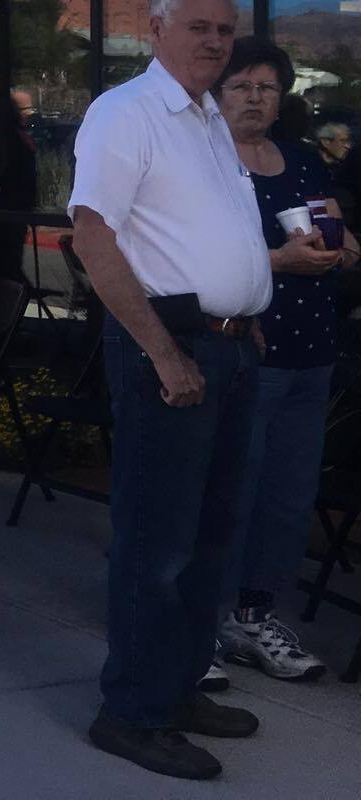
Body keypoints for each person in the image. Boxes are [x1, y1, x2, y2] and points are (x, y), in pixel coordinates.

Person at [70, 0, 270, 780]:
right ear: (157, 29)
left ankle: (178, 687)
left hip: (228, 351)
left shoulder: (210, 117)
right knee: (157, 545)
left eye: (225, 29)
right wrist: (162, 351)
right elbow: (92, 237)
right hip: (169, 351)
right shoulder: (127, 113)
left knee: (210, 538)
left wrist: (245, 309)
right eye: (199, 26)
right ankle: (133, 711)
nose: (216, 42)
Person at [212, 36, 355, 683]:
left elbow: (334, 228)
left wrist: (342, 245)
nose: (254, 98)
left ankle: (253, 616)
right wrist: (281, 260)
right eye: (241, 85)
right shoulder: (208, 163)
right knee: (232, 490)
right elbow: (198, 261)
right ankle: (204, 619)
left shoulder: (300, 162)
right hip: (248, 350)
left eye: (267, 88)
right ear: (218, 93)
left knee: (288, 497)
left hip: (312, 350)